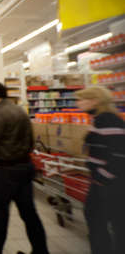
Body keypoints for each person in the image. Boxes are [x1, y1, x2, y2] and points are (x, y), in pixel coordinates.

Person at [0, 81, 49, 254]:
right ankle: (41, 249)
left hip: (5, 170)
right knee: (29, 212)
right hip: (24, 167)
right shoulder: (20, 111)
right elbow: (30, 140)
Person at [75, 86, 125, 254]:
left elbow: (119, 156)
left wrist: (102, 179)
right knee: (100, 223)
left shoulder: (108, 120)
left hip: (110, 185)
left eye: (82, 99)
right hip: (102, 182)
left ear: (95, 100)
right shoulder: (99, 119)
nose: (78, 103)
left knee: (106, 224)